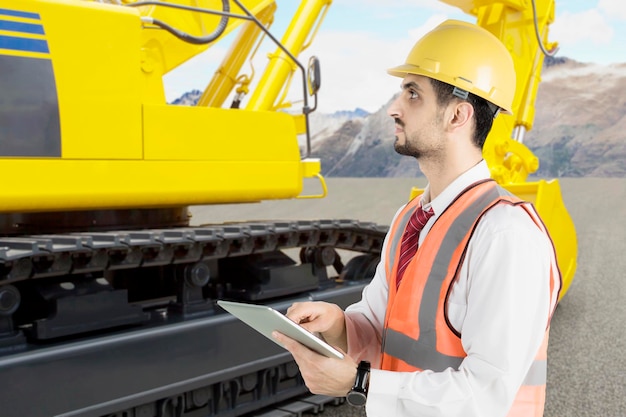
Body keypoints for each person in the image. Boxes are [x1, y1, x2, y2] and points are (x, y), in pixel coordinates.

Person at [273, 19, 561, 417]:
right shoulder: (411, 217)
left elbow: (486, 395)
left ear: (457, 116)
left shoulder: (504, 235)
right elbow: (381, 323)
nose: (394, 108)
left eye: (412, 94)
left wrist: (359, 382)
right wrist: (338, 325)